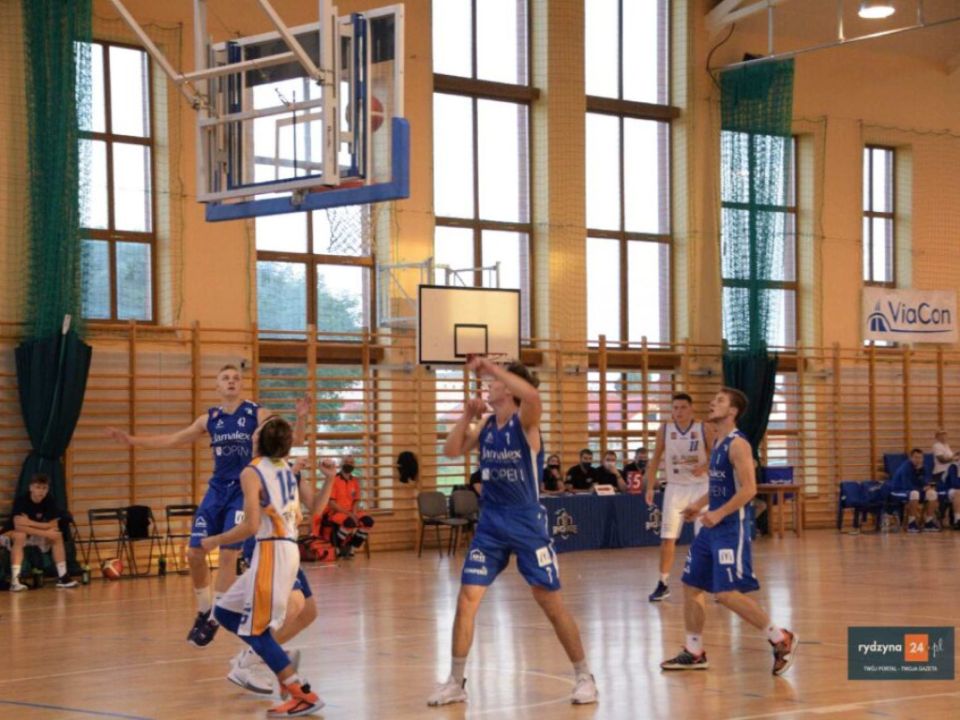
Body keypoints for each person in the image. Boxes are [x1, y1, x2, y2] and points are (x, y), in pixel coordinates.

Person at [428, 357, 598, 707]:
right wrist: (466, 416)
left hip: (526, 523)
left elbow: (532, 396)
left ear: (508, 388)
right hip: (491, 523)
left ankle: (584, 676)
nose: (488, 385)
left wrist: (494, 368)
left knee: (550, 602)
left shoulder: (526, 422)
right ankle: (456, 682)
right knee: (466, 597)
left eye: (494, 382)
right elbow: (450, 450)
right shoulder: (487, 424)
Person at [107, 364, 307, 647]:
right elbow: (173, 439)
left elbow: (293, 439)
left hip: (243, 489)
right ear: (217, 386)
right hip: (216, 491)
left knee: (228, 555)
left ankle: (215, 618)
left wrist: (301, 418)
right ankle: (204, 610)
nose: (231, 381)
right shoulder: (209, 419)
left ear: (242, 385)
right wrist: (132, 440)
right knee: (194, 553)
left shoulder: (256, 413)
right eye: (226, 378)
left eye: (236, 378)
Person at [661, 387, 798, 676]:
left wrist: (719, 513)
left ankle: (780, 637)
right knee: (691, 585)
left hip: (730, 528)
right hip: (710, 527)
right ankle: (694, 651)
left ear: (733, 411)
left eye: (720, 401)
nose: (712, 403)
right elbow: (718, 486)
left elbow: (749, 489)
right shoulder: (718, 442)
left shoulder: (739, 444)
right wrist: (699, 505)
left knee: (725, 593)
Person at [202, 416, 324, 717]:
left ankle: (301, 693)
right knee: (224, 613)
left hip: (272, 551)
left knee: (257, 631)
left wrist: (214, 540)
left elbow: (251, 525)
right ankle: (277, 659)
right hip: (281, 549)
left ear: (257, 441)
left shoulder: (252, 471)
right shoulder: (286, 468)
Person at [227, 454, 339, 695]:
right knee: (294, 605)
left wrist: (329, 479)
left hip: (286, 546)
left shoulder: (289, 469)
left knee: (308, 613)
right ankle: (247, 664)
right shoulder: (258, 470)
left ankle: (258, 657)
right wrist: (291, 472)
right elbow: (266, 501)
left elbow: (316, 507)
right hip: (265, 545)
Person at [645, 393, 713, 602]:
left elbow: (717, 455)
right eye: (675, 408)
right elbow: (655, 458)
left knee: (704, 539)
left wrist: (705, 466)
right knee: (668, 538)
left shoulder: (703, 428)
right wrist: (650, 487)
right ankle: (663, 583)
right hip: (675, 488)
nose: (679, 411)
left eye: (683, 407)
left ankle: (711, 581)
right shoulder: (665, 429)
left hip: (700, 488)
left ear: (691, 409)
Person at [0, 473, 77, 590]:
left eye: (44, 488)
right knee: (21, 535)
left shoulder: (49, 499)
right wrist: (45, 531)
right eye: (38, 487)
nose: (41, 491)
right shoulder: (22, 500)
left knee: (56, 535)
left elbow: (53, 524)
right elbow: (19, 526)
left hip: (33, 532)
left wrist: (29, 522)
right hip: (10, 531)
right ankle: (15, 581)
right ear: (31, 488)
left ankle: (63, 577)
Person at [318, 455, 374, 558]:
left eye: (351, 462)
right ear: (341, 464)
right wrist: (349, 514)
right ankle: (338, 547)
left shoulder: (355, 481)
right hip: (336, 512)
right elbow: (331, 503)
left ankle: (352, 546)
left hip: (351, 511)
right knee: (350, 523)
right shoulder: (334, 479)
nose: (349, 464)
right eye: (346, 462)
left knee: (368, 521)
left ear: (354, 465)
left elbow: (356, 500)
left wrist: (354, 513)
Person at [884, 448, 939, 533]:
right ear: (911, 458)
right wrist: (922, 488)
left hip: (914, 490)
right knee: (914, 493)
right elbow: (906, 486)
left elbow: (925, 482)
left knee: (932, 493)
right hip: (898, 491)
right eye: (916, 457)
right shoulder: (906, 468)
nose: (918, 460)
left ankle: (929, 521)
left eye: (920, 458)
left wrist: (926, 485)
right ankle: (911, 522)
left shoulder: (922, 467)